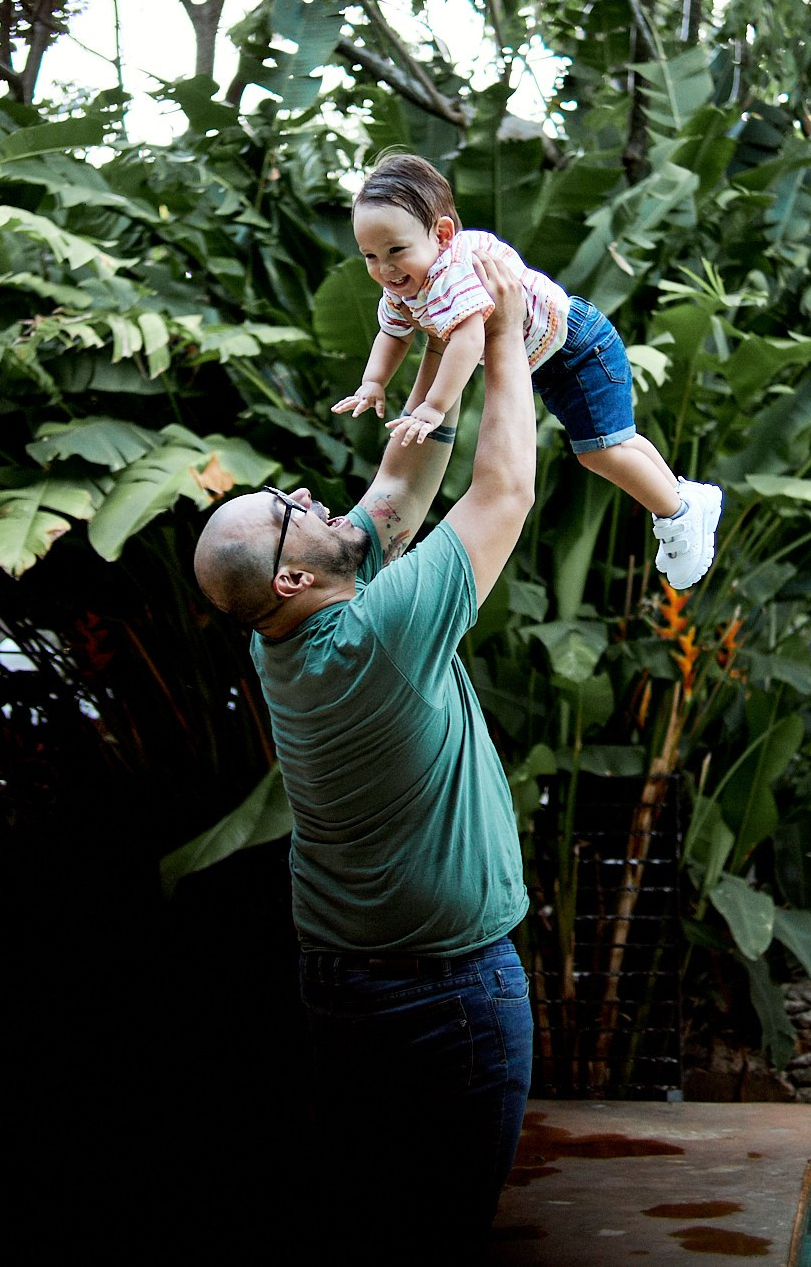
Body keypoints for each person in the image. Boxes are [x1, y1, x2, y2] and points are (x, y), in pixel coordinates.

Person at [193, 253, 538, 1254]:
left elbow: (396, 482)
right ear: (296, 575)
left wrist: (445, 342)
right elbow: (502, 492)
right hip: (444, 994)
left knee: (367, 1211)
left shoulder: (284, 634)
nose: (308, 496)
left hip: (344, 979)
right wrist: (509, 334)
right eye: (292, 511)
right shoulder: (376, 636)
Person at [333, 150, 722, 590]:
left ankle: (677, 513)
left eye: (394, 250)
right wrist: (373, 382)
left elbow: (468, 338)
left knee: (597, 451)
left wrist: (434, 407)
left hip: (576, 345)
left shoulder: (451, 271)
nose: (383, 268)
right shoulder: (406, 284)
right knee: (618, 441)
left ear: (441, 235)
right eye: (369, 255)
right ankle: (684, 497)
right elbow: (395, 334)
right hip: (549, 360)